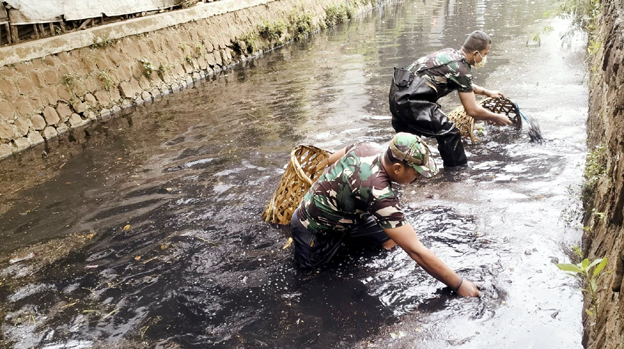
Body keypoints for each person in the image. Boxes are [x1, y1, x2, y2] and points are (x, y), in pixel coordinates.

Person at [290, 133, 479, 297]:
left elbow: (331, 160)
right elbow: (416, 250)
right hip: (312, 226)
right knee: (312, 278)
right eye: (416, 173)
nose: (418, 178)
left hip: (352, 213)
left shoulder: (365, 147)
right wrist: (459, 285)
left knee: (391, 240)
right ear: (397, 168)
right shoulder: (379, 195)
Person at [389, 30, 513, 168]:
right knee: (449, 132)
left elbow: (463, 84)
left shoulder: (451, 55)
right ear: (476, 53)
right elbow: (472, 110)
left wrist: (486, 92)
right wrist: (497, 117)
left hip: (398, 94)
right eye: (485, 54)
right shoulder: (461, 69)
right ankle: (456, 173)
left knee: (407, 142)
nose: (485, 58)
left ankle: (396, 169)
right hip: (410, 101)